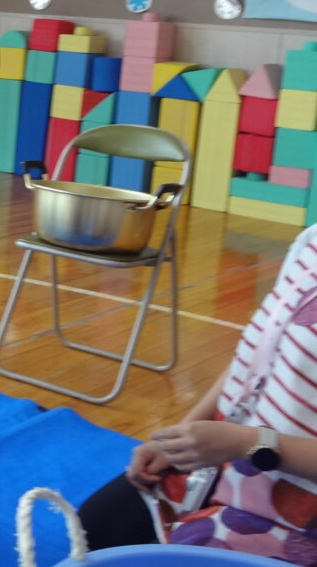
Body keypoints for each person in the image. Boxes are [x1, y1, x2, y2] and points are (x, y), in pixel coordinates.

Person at [79, 222, 317, 563]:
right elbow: (258, 361)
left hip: (294, 503)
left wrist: (250, 444)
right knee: (95, 528)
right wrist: (179, 439)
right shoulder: (311, 240)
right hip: (228, 455)